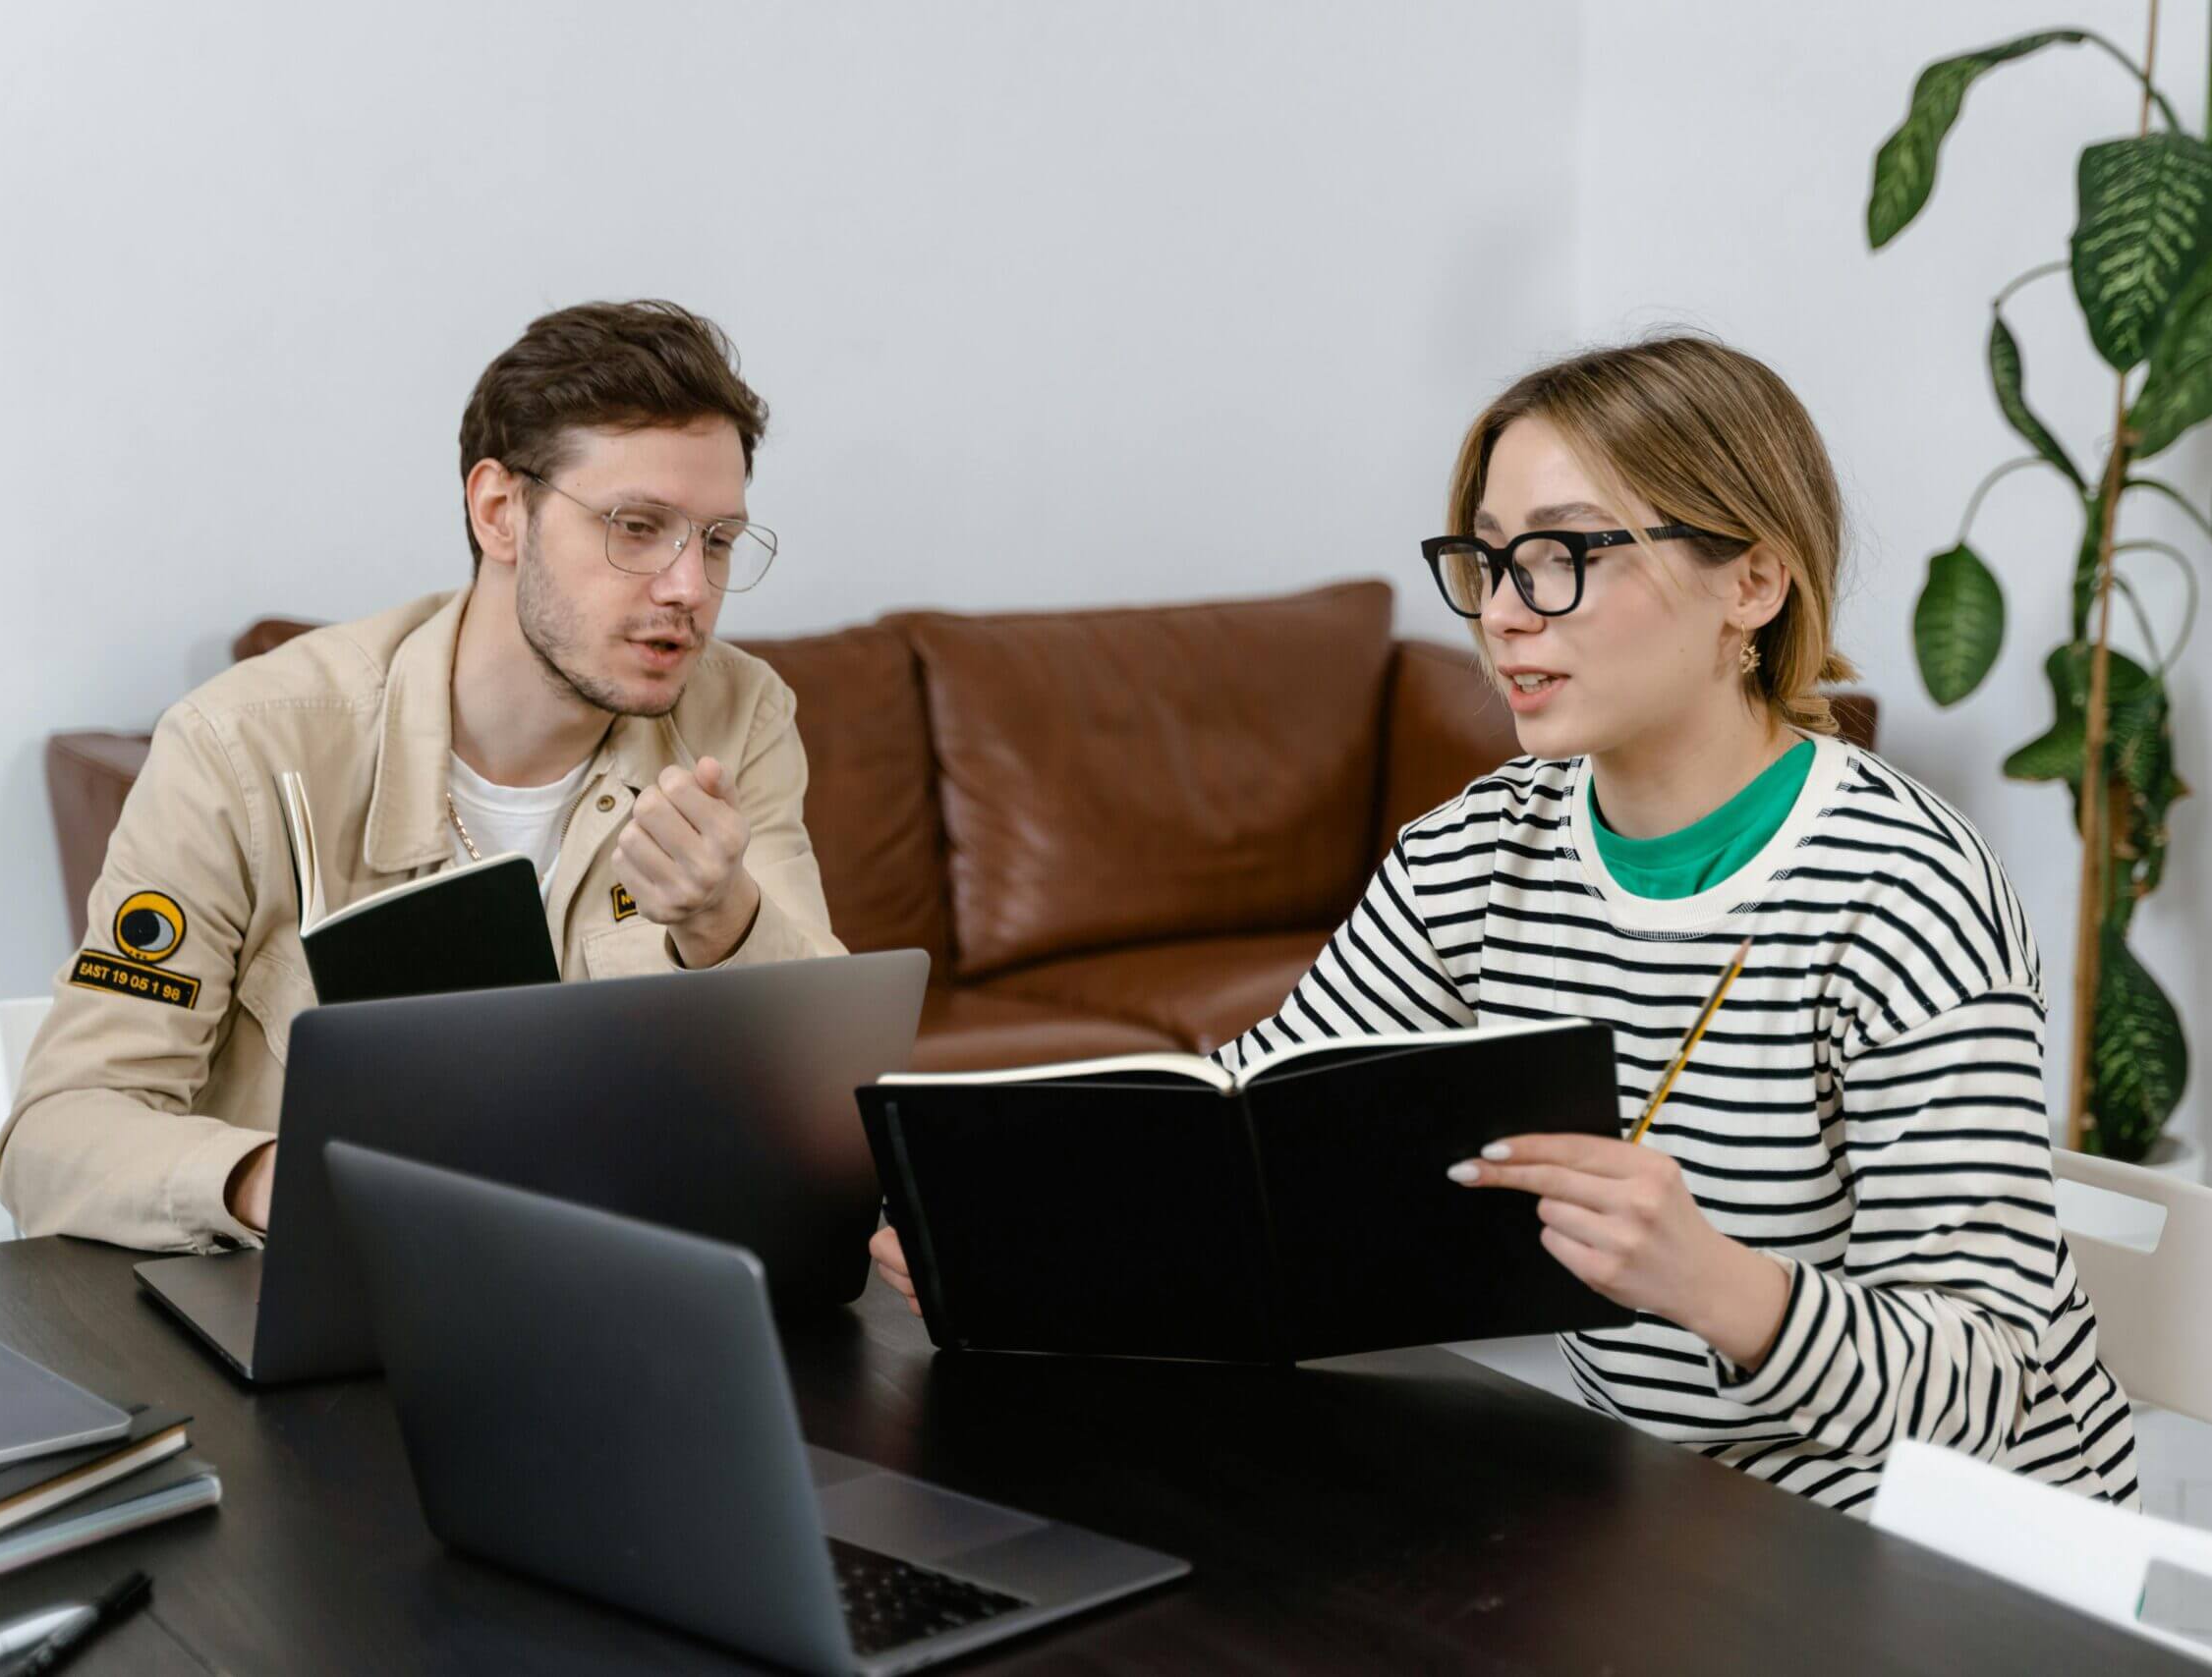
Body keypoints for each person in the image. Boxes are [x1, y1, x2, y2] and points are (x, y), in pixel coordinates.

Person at [873, 335, 2136, 1512]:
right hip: (1663, 1523)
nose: (1505, 613)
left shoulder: (1905, 893)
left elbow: (1990, 1389)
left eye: (1568, 554)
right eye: (1488, 558)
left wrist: (1719, 1287)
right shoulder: (1480, 850)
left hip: (1947, 1558)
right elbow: (1241, 1126)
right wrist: (1034, 1236)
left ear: (1751, 580)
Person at [0, 300, 846, 1252]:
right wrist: (280, 1181)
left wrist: (722, 920)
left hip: (628, 1291)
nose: (689, 588)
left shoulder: (739, 714)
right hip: (332, 1314)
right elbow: (54, 1136)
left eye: (718, 541)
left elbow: (828, 1088)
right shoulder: (239, 749)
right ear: (499, 512)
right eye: (637, 527)